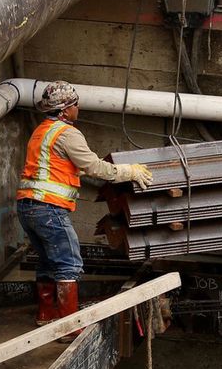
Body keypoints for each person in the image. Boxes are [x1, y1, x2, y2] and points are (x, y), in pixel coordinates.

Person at [17, 81, 154, 324]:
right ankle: (68, 327)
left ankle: (45, 315)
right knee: (69, 263)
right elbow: (94, 166)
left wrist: (74, 171)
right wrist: (128, 172)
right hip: (49, 208)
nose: (78, 108)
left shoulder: (42, 131)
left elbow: (48, 166)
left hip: (28, 207)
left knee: (48, 262)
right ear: (64, 110)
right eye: (75, 104)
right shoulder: (67, 133)